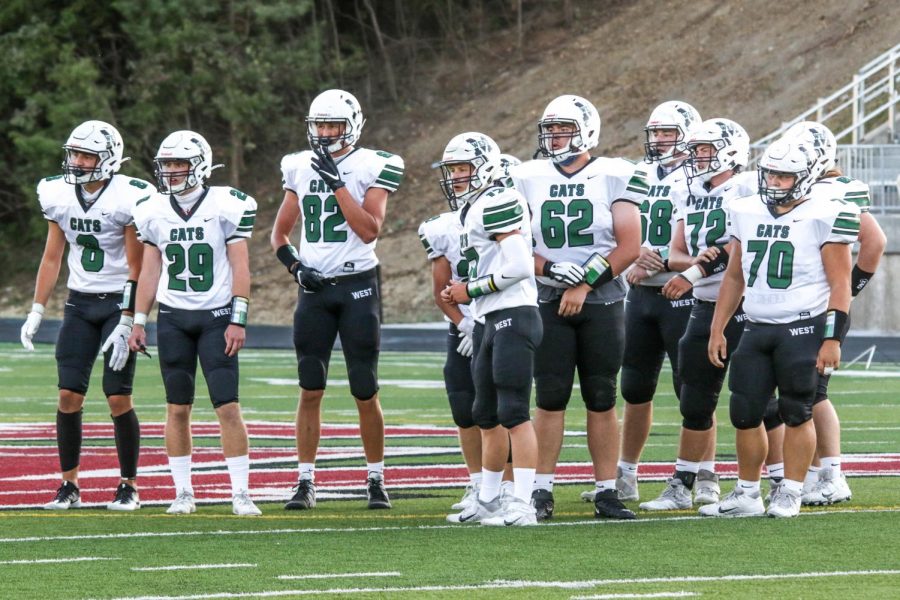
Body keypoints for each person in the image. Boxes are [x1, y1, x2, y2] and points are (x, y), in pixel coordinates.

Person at [703, 138, 859, 518]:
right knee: (744, 412)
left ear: (805, 178)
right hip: (757, 326)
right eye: (770, 173)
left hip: (802, 326)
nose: (774, 181)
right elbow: (735, 276)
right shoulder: (746, 210)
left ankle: (790, 491)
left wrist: (832, 338)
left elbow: (841, 284)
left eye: (785, 176)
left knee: (797, 410)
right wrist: (717, 327)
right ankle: (747, 492)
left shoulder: (825, 213)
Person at [510, 94, 644, 521]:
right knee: (549, 397)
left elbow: (629, 245)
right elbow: (514, 245)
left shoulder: (614, 174)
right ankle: (539, 489)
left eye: (563, 129)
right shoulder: (526, 175)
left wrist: (583, 283)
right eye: (549, 130)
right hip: (547, 296)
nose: (553, 137)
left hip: (602, 298)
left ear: (587, 130)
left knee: (601, 395)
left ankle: (607, 491)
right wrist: (552, 269)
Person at [271, 89, 404, 510]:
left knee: (365, 388)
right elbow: (279, 236)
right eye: (320, 126)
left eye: (334, 126)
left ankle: (376, 478)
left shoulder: (373, 164)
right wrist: (296, 269)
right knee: (310, 387)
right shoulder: (297, 165)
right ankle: (305, 480)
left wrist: (338, 185)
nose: (326, 134)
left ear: (353, 127)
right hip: (314, 290)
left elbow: (370, 230)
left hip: (357, 287)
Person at [128, 130, 261, 516]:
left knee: (227, 406)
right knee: (177, 408)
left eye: (179, 163)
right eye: (166, 164)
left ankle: (240, 492)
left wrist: (238, 320)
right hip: (172, 317)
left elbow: (241, 266)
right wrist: (138, 320)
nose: (170, 171)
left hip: (216, 317)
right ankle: (183, 492)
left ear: (200, 165)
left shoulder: (225, 205)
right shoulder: (152, 209)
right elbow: (150, 270)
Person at [22, 120, 146, 511]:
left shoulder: (128, 196)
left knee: (117, 397)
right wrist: (37, 308)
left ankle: (128, 485)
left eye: (86, 155)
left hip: (115, 304)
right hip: (79, 302)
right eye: (74, 153)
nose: (76, 161)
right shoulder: (58, 194)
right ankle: (69, 485)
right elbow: (52, 256)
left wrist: (128, 317)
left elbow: (136, 265)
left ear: (108, 158)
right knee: (68, 395)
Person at [639, 118, 756, 512]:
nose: (696, 156)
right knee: (694, 400)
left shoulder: (748, 187)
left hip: (745, 306)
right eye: (696, 149)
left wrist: (694, 271)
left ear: (729, 151)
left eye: (705, 149)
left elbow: (735, 251)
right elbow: (673, 254)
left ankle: (778, 483)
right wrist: (695, 267)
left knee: (757, 402)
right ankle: (682, 484)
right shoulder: (686, 190)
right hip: (704, 304)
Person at [776, 122, 886, 506]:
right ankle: (814, 473)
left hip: (817, 304)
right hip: (791, 303)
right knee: (799, 391)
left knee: (813, 392)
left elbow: (874, 242)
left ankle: (831, 475)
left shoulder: (838, 189)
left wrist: (847, 292)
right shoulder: (791, 187)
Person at [440, 132, 542, 526]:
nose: (455, 178)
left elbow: (518, 267)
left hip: (514, 314)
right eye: (452, 171)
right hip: (488, 317)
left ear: (484, 167)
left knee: (514, 410)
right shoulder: (474, 208)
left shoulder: (499, 200)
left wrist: (470, 289)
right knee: (485, 412)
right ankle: (487, 497)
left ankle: (522, 501)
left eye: (462, 169)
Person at [614, 101, 701, 503]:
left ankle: (706, 474)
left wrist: (662, 260)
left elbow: (708, 242)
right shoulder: (636, 174)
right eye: (656, 132)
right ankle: (626, 473)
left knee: (695, 389)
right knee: (634, 386)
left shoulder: (701, 177)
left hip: (683, 291)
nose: (660, 140)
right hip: (641, 294)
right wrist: (637, 257)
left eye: (668, 132)